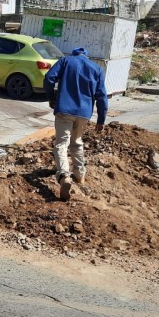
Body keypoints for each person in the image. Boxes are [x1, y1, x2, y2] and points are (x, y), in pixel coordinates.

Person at [43, 47, 108, 201]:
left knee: (61, 144)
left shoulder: (66, 61)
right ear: (86, 56)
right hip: (84, 113)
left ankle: (64, 175)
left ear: (73, 54)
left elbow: (48, 78)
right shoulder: (96, 68)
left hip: (64, 109)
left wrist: (51, 97)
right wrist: (101, 120)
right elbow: (102, 97)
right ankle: (80, 175)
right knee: (77, 142)